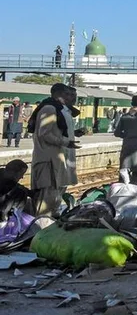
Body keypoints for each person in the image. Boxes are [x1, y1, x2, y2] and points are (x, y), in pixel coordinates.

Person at [28, 83, 79, 220]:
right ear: (59, 94)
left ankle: (49, 222)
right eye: (68, 94)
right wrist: (65, 142)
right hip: (48, 159)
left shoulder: (61, 110)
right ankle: (41, 225)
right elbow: (44, 133)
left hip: (60, 158)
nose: (72, 98)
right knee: (47, 198)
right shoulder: (50, 108)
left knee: (56, 195)